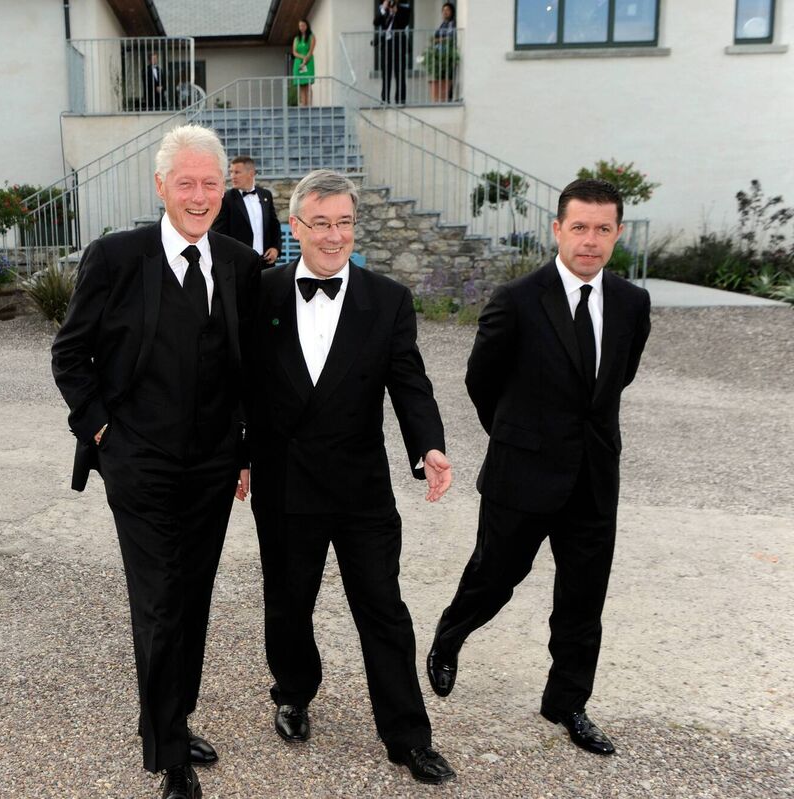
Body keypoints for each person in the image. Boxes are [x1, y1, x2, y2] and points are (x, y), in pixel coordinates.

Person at [51, 124, 262, 799]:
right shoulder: (116, 258)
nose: (199, 196)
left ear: (224, 188)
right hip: (138, 465)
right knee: (161, 601)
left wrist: (247, 451)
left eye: (210, 183)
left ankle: (172, 712)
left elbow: (251, 372)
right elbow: (69, 354)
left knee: (192, 599)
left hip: (212, 468)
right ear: (160, 186)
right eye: (186, 183)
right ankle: (170, 755)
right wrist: (104, 433)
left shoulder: (240, 263)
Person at [243, 169, 457, 785]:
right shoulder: (260, 294)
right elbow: (239, 383)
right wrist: (240, 451)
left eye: (344, 223)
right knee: (288, 603)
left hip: (361, 486)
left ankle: (408, 736)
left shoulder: (385, 299)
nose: (334, 236)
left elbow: (408, 381)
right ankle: (293, 691)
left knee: (383, 609)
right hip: (284, 484)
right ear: (295, 228)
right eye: (321, 224)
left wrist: (429, 446)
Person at [427, 179, 652, 757]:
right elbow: (481, 382)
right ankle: (449, 637)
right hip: (521, 474)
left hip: (595, 479)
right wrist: (516, 437)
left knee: (583, 599)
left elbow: (616, 379)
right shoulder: (517, 299)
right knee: (494, 577)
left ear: (617, 234)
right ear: (557, 229)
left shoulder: (632, 303)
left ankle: (567, 702)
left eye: (603, 229)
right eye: (579, 227)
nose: (591, 240)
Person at [212, 155, 282, 266]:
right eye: (231, 172)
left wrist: (275, 248)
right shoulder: (226, 199)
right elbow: (218, 233)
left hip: (266, 263)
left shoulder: (266, 195)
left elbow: (274, 225)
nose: (232, 176)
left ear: (251, 173)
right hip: (239, 264)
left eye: (237, 172)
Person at [374, 0, 412, 105]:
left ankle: (400, 99)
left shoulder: (404, 8)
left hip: (399, 45)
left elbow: (403, 24)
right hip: (386, 46)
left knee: (400, 73)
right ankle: (385, 99)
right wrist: (383, 9)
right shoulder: (384, 10)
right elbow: (376, 22)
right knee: (386, 74)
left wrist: (396, 12)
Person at [432, 3, 458, 102]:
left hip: (448, 54)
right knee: (441, 76)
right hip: (440, 55)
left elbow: (450, 38)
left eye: (447, 10)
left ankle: (449, 98)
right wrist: (439, 40)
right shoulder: (442, 24)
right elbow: (435, 38)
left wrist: (440, 40)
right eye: (443, 10)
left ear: (452, 12)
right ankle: (442, 97)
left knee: (449, 76)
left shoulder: (452, 23)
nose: (445, 12)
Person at [291, 19, 316, 107]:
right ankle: (304, 105)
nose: (302, 27)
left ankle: (309, 105)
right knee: (301, 85)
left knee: (308, 84)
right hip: (299, 63)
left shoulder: (311, 37)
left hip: (308, 63)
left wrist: (305, 61)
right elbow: (294, 52)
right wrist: (302, 58)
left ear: (307, 26)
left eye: (303, 25)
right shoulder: (296, 38)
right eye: (300, 26)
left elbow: (310, 51)